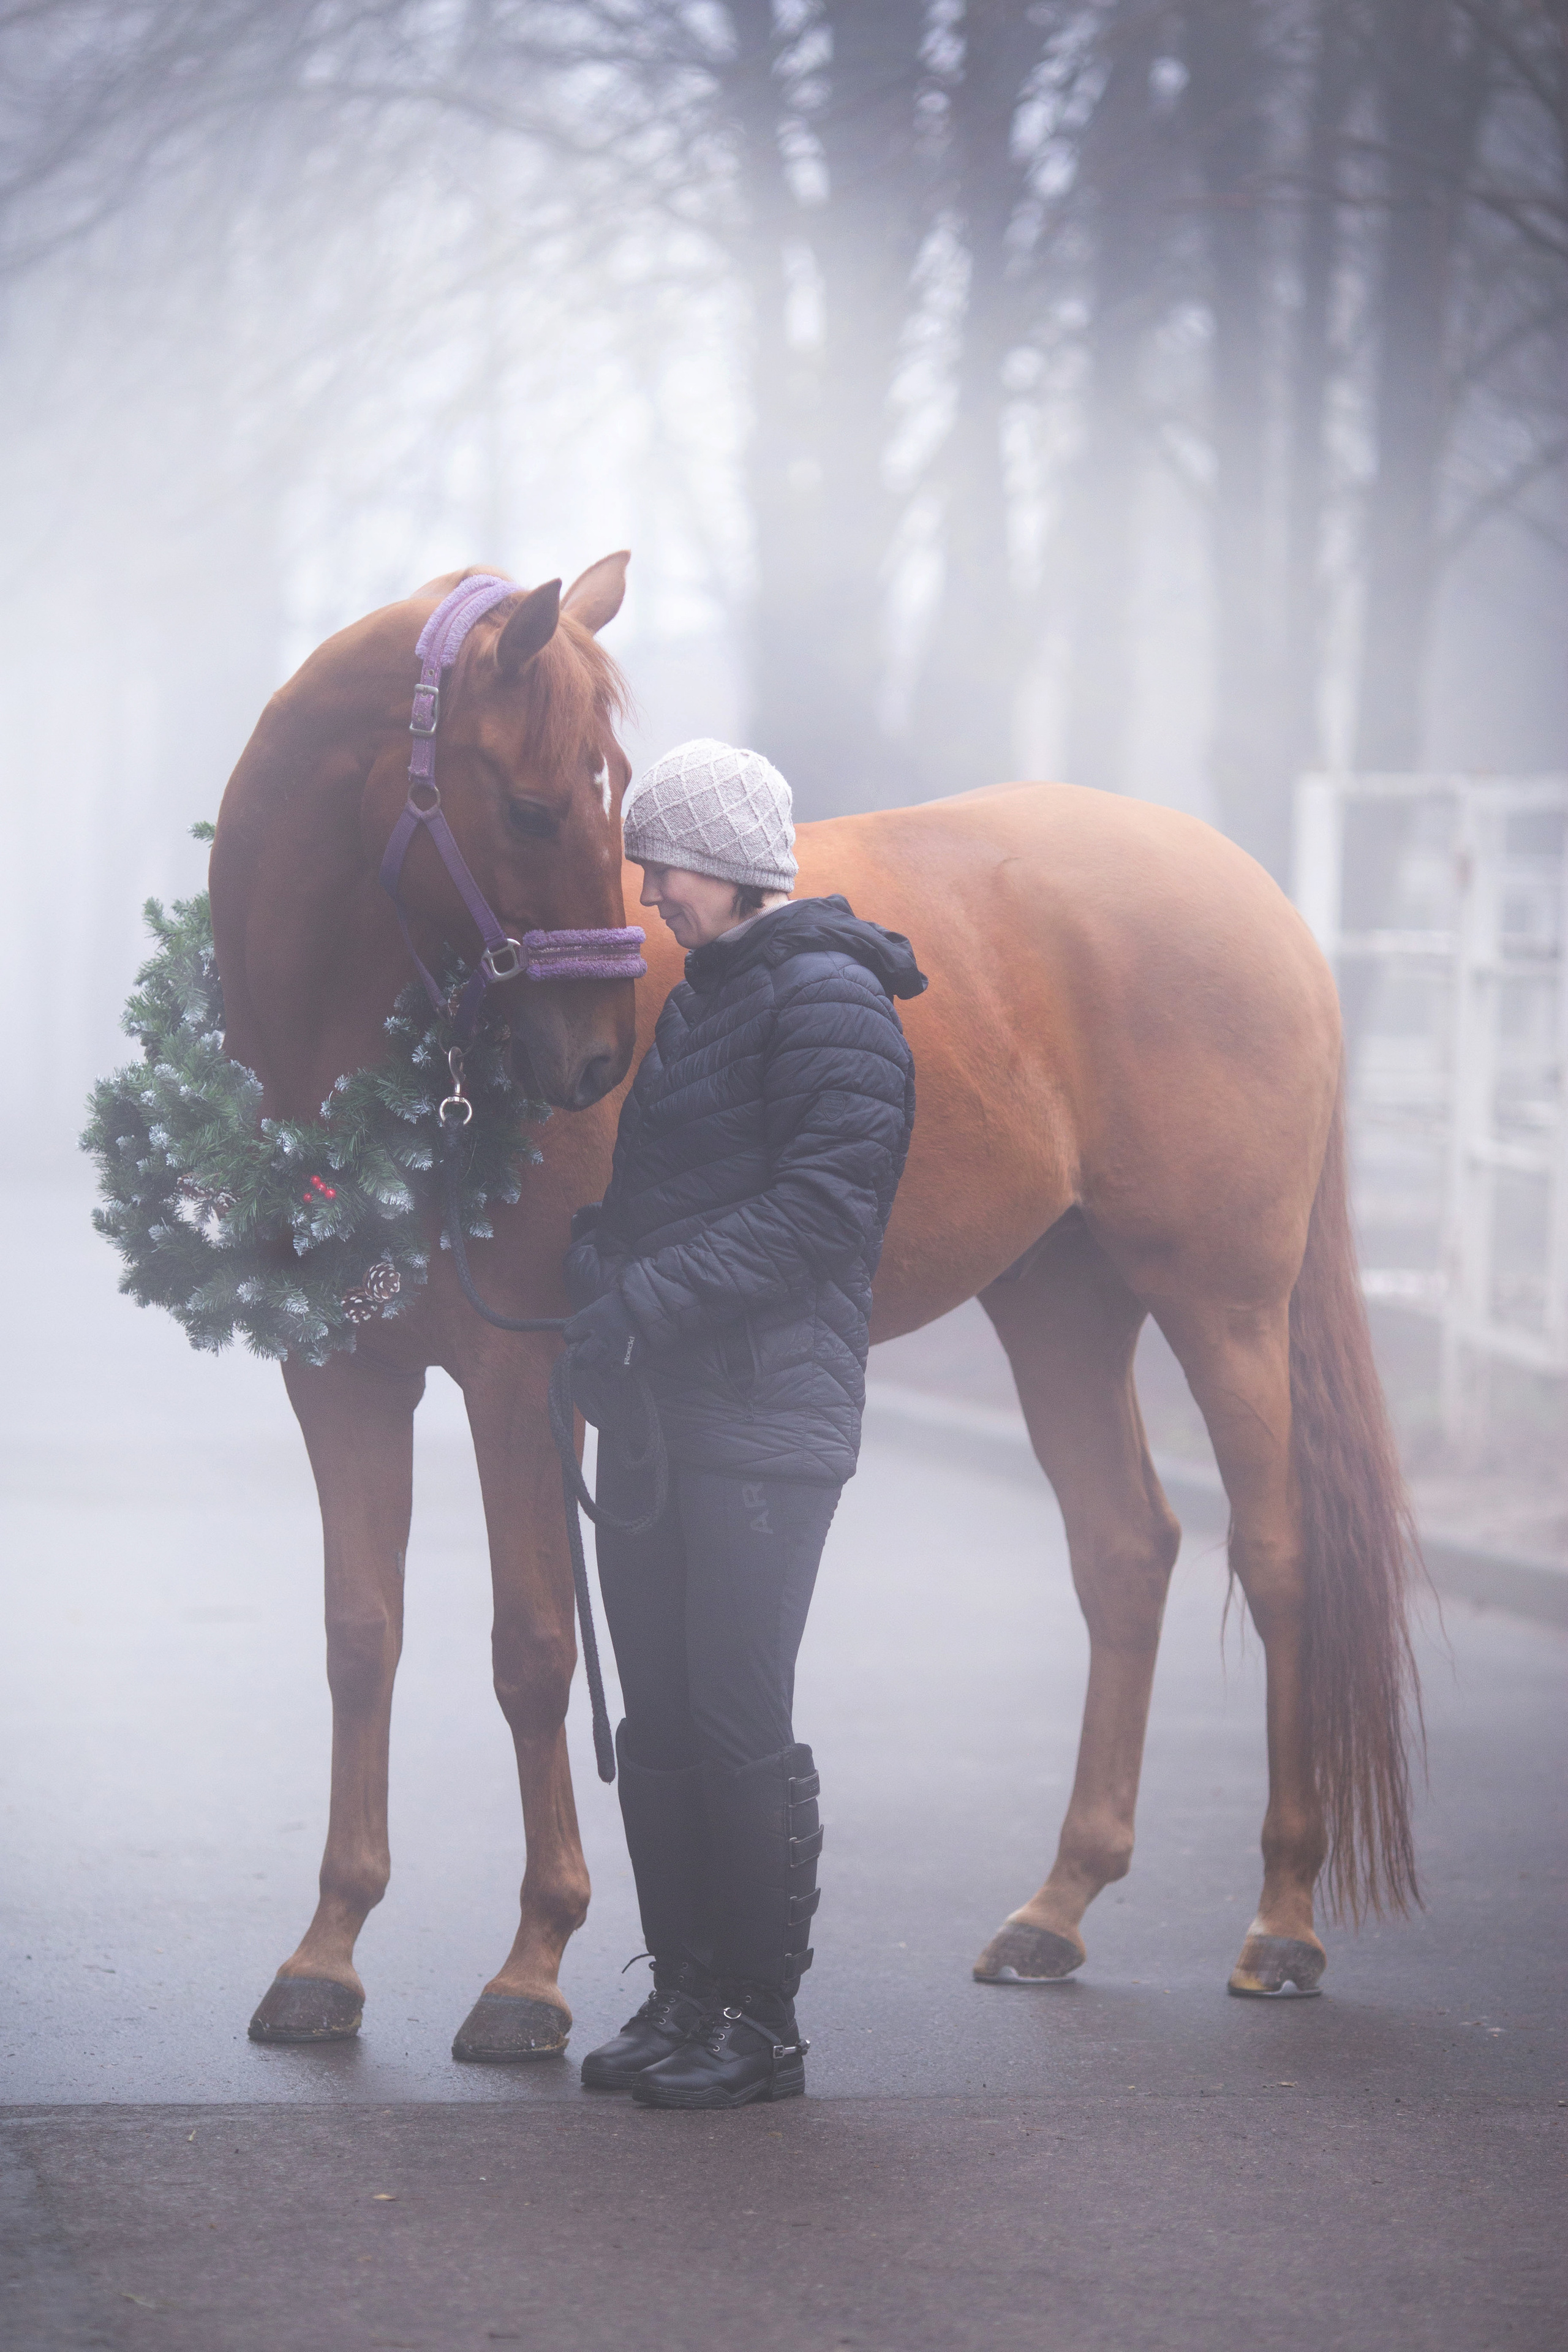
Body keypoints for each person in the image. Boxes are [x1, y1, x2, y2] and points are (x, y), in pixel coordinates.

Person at [561, 737, 925, 2110]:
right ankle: (687, 1989)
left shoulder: (831, 1001)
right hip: (667, 1410)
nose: (649, 887)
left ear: (729, 862)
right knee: (656, 1720)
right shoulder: (707, 995)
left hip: (765, 1422)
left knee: (730, 1722)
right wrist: (603, 1267)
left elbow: (826, 1210)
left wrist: (649, 1296)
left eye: (664, 862)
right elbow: (694, 1192)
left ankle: (759, 2023)